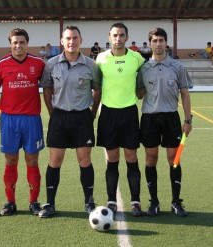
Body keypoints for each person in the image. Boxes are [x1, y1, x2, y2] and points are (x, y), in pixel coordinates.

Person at [38, 25, 101, 218]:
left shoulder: (91, 65)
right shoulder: (51, 64)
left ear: (81, 40)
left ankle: (89, 201)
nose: (71, 42)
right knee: (55, 161)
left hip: (82, 117)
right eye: (68, 38)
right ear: (62, 42)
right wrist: (52, 112)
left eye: (75, 38)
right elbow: (47, 89)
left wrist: (92, 112)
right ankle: (49, 203)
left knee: (85, 161)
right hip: (59, 117)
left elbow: (97, 89)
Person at [136, 27, 193, 217]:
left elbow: (184, 94)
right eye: (155, 40)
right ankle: (154, 203)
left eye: (161, 40)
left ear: (166, 43)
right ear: (150, 43)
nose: (158, 44)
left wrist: (187, 119)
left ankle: (176, 202)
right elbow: (138, 93)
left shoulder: (178, 67)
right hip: (149, 118)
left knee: (173, 160)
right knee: (151, 158)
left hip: (171, 118)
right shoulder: (143, 68)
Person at [0, 28, 45, 216]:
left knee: (32, 159)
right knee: (11, 159)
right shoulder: (1, 65)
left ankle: (34, 202)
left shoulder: (38, 64)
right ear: (10, 44)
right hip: (9, 119)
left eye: (22, 42)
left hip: (31, 118)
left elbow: (48, 88)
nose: (18, 46)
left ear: (27, 43)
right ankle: (10, 202)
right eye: (15, 42)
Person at [96, 22, 144, 218]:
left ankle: (135, 202)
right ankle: (111, 201)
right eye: (115, 35)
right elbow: (96, 87)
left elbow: (143, 82)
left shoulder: (137, 58)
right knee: (112, 158)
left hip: (129, 112)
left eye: (121, 35)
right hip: (108, 113)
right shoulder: (100, 59)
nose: (118, 38)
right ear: (109, 37)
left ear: (126, 37)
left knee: (131, 157)